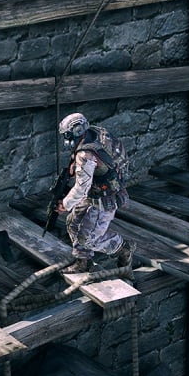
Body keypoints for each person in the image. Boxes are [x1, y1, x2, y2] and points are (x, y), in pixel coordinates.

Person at [55, 112, 136, 274]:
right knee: (73, 222)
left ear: (77, 131)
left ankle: (123, 248)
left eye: (67, 134)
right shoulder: (96, 133)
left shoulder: (85, 154)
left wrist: (65, 204)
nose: (66, 139)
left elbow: (81, 188)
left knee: (88, 239)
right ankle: (82, 261)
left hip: (104, 198)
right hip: (96, 189)